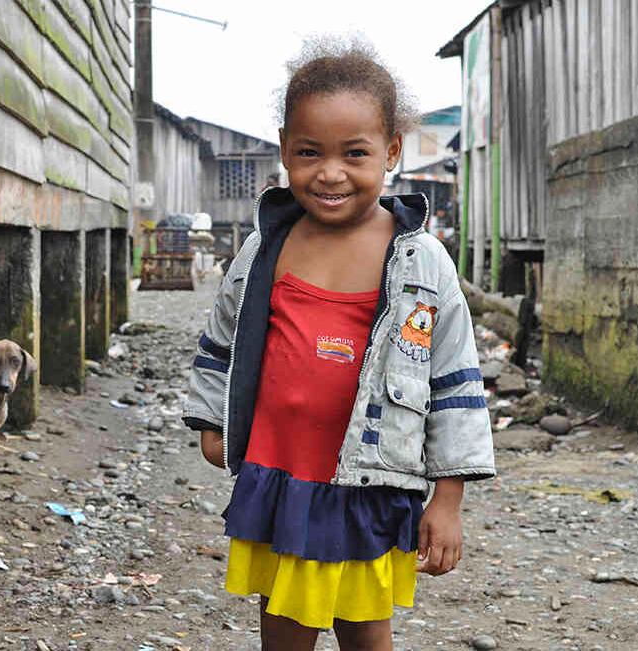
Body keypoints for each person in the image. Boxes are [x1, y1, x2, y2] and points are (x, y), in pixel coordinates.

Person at [182, 38, 495, 651]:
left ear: (392, 152)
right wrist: (210, 416)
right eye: (309, 153)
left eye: (355, 153)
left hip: (369, 487)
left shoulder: (422, 263)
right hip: (282, 475)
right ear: (283, 150)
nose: (330, 173)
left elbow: (455, 381)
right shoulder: (263, 251)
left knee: (365, 630)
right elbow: (222, 341)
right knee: (283, 624)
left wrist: (449, 499)